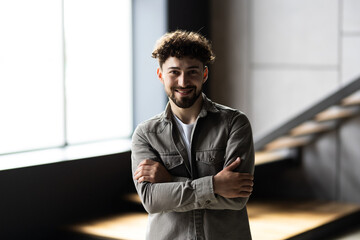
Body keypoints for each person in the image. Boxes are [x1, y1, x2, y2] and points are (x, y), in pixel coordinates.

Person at [131, 30, 255, 240]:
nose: (183, 81)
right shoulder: (146, 133)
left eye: (192, 72)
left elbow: (237, 196)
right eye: (174, 72)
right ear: (161, 75)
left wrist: (169, 180)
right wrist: (214, 185)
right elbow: (151, 200)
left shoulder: (234, 123)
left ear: (204, 74)